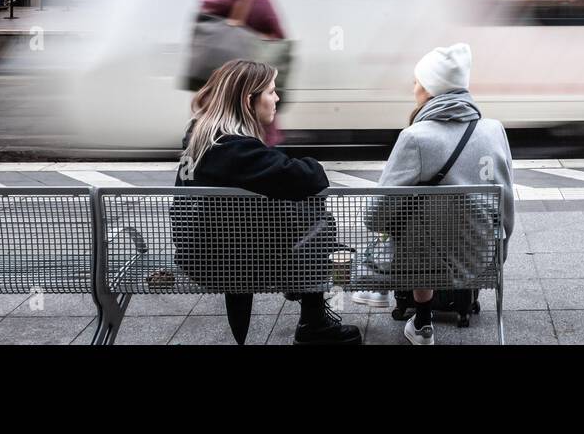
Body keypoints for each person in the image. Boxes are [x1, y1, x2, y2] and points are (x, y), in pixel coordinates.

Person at [172, 59, 361, 345]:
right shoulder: (234, 149)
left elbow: (271, 169)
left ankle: (310, 307)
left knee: (301, 214)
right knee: (318, 220)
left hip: (199, 251)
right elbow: (310, 178)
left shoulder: (200, 135)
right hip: (227, 262)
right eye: (271, 92)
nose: (277, 98)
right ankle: (314, 322)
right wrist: (312, 165)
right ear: (249, 100)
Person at [351, 43, 515, 345]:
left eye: (416, 81)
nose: (413, 88)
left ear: (429, 89)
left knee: (411, 225)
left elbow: (374, 217)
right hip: (480, 259)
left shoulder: (415, 137)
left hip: (418, 261)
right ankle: (421, 321)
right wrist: (498, 252)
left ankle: (383, 289)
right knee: (430, 225)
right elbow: (506, 208)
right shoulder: (494, 130)